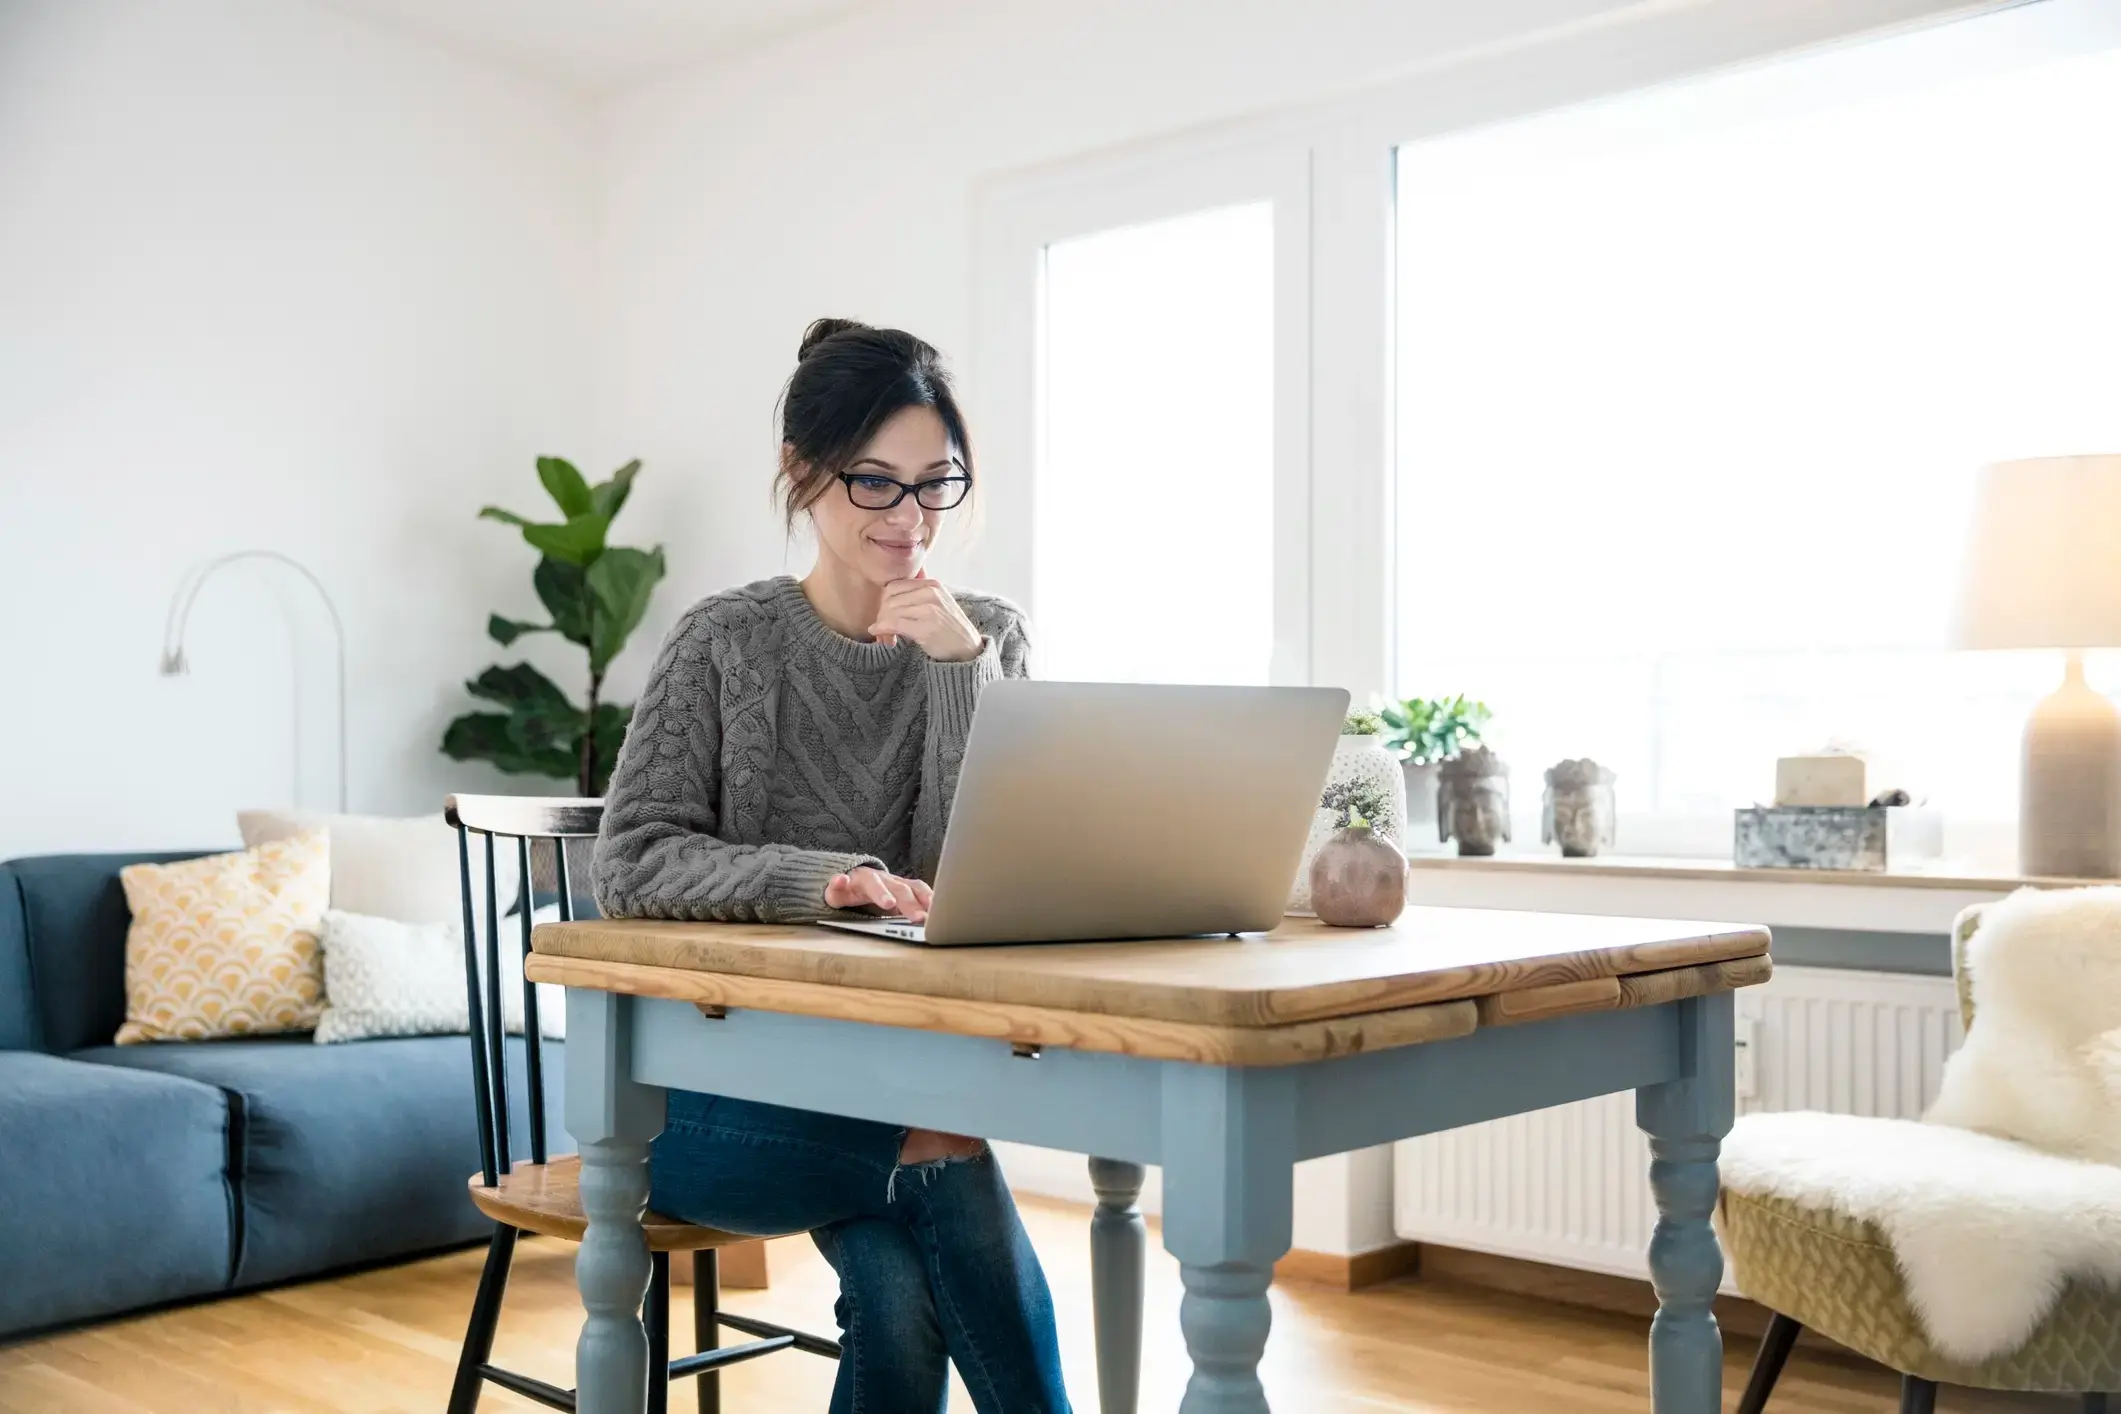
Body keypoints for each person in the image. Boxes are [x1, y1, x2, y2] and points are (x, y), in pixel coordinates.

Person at [593, 318, 1069, 1414]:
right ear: (803, 476)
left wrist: (957, 673)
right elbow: (631, 859)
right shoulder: (726, 642)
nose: (911, 519)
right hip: (712, 1099)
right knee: (947, 1145)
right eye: (875, 483)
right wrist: (824, 879)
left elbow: (982, 880)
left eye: (935, 484)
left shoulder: (986, 637)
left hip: (896, 1072)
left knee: (899, 1297)